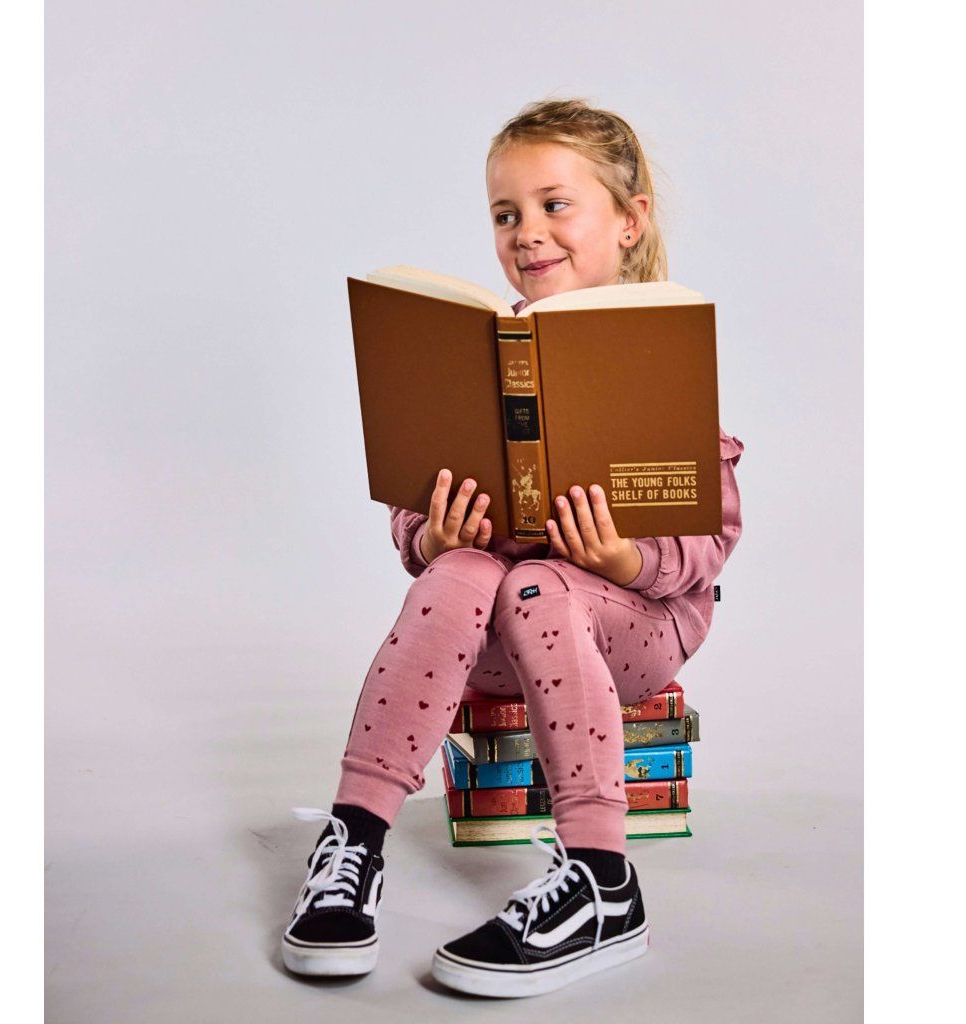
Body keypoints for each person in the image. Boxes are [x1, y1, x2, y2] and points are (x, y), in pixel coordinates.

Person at [281, 97, 745, 997]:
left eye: (554, 204)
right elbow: (417, 500)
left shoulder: (663, 357)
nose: (526, 232)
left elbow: (709, 539)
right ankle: (355, 839)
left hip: (632, 631)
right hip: (492, 643)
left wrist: (623, 560)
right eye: (505, 213)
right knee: (462, 569)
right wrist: (432, 533)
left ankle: (602, 881)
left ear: (630, 219)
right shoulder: (489, 353)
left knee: (544, 588)